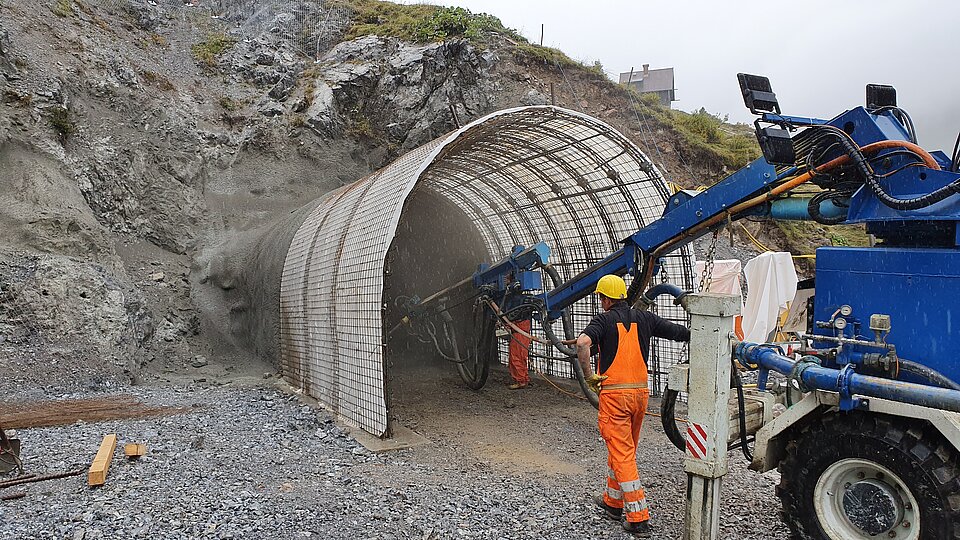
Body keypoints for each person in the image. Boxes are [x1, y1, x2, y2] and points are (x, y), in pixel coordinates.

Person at [575, 274, 690, 537]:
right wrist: (699, 332)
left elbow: (582, 343)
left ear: (605, 299)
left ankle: (638, 517)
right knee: (624, 450)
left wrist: (590, 374)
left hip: (615, 397)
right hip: (640, 396)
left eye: (601, 298)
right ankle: (613, 503)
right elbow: (677, 332)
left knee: (622, 453)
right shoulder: (645, 318)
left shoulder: (602, 320)